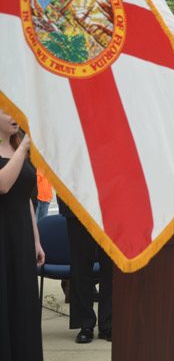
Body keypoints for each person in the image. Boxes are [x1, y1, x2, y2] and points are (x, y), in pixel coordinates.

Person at [0, 109, 44, 361]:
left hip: (22, 238)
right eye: (6, 112)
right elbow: (4, 184)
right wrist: (24, 146)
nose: (13, 117)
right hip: (3, 238)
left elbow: (26, 197)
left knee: (23, 303)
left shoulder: (18, 145)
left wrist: (36, 240)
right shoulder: (21, 147)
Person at [57, 197, 113, 343]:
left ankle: (109, 323)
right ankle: (85, 324)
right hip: (77, 201)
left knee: (111, 267)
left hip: (111, 201)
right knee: (80, 266)